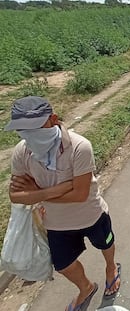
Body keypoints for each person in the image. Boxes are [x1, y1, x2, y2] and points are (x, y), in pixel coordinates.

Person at [5, 96, 121, 311]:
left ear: (53, 120)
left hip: (91, 214)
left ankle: (110, 267)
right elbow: (15, 196)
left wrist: (36, 194)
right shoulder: (22, 152)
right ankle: (85, 287)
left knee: (106, 244)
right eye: (22, 130)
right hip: (56, 223)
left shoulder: (79, 147)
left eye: (34, 128)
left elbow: (80, 194)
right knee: (63, 265)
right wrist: (57, 189)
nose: (29, 135)